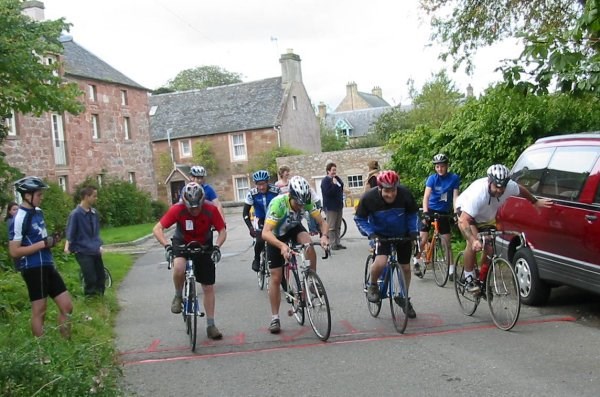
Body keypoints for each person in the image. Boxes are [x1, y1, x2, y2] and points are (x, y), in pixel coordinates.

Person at [455, 164, 552, 294]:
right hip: (465, 213)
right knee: (473, 243)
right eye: (497, 187)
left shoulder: (509, 187)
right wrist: (473, 240)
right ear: (490, 182)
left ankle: (482, 279)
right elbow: (464, 220)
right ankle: (468, 278)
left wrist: (535, 202)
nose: (500, 190)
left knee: (489, 247)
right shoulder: (478, 194)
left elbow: (521, 190)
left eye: (503, 187)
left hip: (485, 216)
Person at [153, 182, 227, 340]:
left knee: (208, 287)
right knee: (179, 267)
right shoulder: (177, 209)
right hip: (182, 242)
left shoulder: (210, 210)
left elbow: (222, 230)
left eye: (197, 207)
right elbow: (157, 228)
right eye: (191, 208)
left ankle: (211, 325)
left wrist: (217, 246)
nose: (194, 211)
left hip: (204, 244)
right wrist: (167, 246)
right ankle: (178, 295)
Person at [262, 176, 329, 334]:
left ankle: (311, 278)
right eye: (298, 203)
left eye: (303, 203)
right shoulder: (278, 204)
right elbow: (265, 233)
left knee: (309, 244)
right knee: (276, 277)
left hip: (292, 227)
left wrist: (324, 236)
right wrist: (281, 245)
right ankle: (275, 318)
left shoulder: (306, 201)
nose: (301, 207)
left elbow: (322, 222)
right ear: (291, 196)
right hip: (276, 234)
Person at [8, 176, 73, 338]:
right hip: (33, 267)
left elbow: (40, 238)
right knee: (40, 311)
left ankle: (66, 344)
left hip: (47, 263)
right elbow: (14, 251)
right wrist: (43, 244)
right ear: (27, 196)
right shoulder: (19, 218)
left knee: (67, 306)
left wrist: (52, 241)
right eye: (39, 195)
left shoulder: (38, 212)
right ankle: (41, 353)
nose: (41, 198)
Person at [354, 170, 419, 318]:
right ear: (379, 188)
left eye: (393, 190)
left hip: (402, 234)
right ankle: (373, 285)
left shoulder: (405, 194)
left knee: (406, 267)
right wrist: (371, 233)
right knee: (381, 261)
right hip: (380, 235)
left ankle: (404, 297)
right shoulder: (369, 198)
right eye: (387, 191)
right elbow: (360, 219)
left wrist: (414, 231)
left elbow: (413, 214)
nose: (391, 194)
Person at [414, 154, 461, 279]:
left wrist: (456, 211)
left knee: (447, 242)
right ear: (435, 168)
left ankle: (451, 270)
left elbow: (455, 196)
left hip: (444, 212)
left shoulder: (454, 178)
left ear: (447, 166)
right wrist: (425, 212)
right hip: (430, 209)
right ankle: (416, 261)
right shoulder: (432, 179)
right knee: (423, 239)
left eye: (442, 166)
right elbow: (426, 197)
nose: (440, 169)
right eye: (437, 167)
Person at [64, 186, 105, 296]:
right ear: (86, 197)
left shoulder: (94, 213)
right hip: (82, 250)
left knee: (101, 277)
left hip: (94, 249)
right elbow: (70, 232)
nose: (96, 198)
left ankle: (100, 299)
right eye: (94, 196)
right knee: (90, 278)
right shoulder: (76, 214)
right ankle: (90, 299)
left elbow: (96, 232)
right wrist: (67, 246)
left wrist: (99, 245)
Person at [242, 170, 280, 272]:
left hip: (274, 218)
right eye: (259, 184)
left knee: (277, 241)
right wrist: (250, 227)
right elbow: (245, 213)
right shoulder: (252, 193)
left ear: (267, 182)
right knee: (260, 240)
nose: (261, 187)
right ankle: (257, 258)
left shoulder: (276, 191)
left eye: (263, 184)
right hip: (260, 219)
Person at [320, 162, 346, 250]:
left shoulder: (336, 178)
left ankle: (338, 243)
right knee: (331, 227)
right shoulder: (325, 181)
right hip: (331, 207)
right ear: (328, 171)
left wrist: (337, 182)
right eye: (333, 170)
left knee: (338, 226)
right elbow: (328, 193)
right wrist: (334, 185)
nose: (334, 172)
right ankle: (332, 243)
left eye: (335, 170)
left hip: (339, 206)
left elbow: (341, 187)